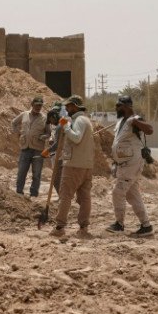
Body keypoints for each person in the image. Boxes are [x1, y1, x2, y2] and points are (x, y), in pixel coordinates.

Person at [105, 96, 155, 237]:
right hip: (123, 164)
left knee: (118, 192)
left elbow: (150, 130)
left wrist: (135, 121)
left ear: (126, 107)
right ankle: (146, 226)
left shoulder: (135, 120)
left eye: (118, 106)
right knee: (133, 195)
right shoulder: (121, 121)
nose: (116, 109)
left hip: (132, 163)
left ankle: (119, 224)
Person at [50, 95, 94, 238]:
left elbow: (76, 138)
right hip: (86, 165)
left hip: (74, 165)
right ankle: (83, 227)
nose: (66, 109)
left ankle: (59, 227)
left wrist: (66, 125)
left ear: (74, 106)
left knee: (65, 195)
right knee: (84, 197)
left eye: (68, 106)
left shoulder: (79, 121)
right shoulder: (86, 120)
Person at [10, 96, 50, 197]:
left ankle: (34, 194)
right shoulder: (24, 115)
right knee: (21, 172)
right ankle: (19, 193)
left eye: (40, 106)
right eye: (36, 105)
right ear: (32, 105)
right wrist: (18, 133)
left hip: (38, 150)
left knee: (36, 174)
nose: (38, 108)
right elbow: (13, 123)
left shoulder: (45, 118)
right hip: (25, 148)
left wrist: (42, 137)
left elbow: (48, 133)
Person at [41, 106, 64, 194]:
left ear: (54, 117)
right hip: (61, 156)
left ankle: (63, 198)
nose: (51, 123)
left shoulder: (60, 126)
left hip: (62, 157)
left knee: (56, 180)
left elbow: (58, 144)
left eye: (51, 120)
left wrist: (47, 150)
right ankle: (64, 198)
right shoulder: (60, 124)